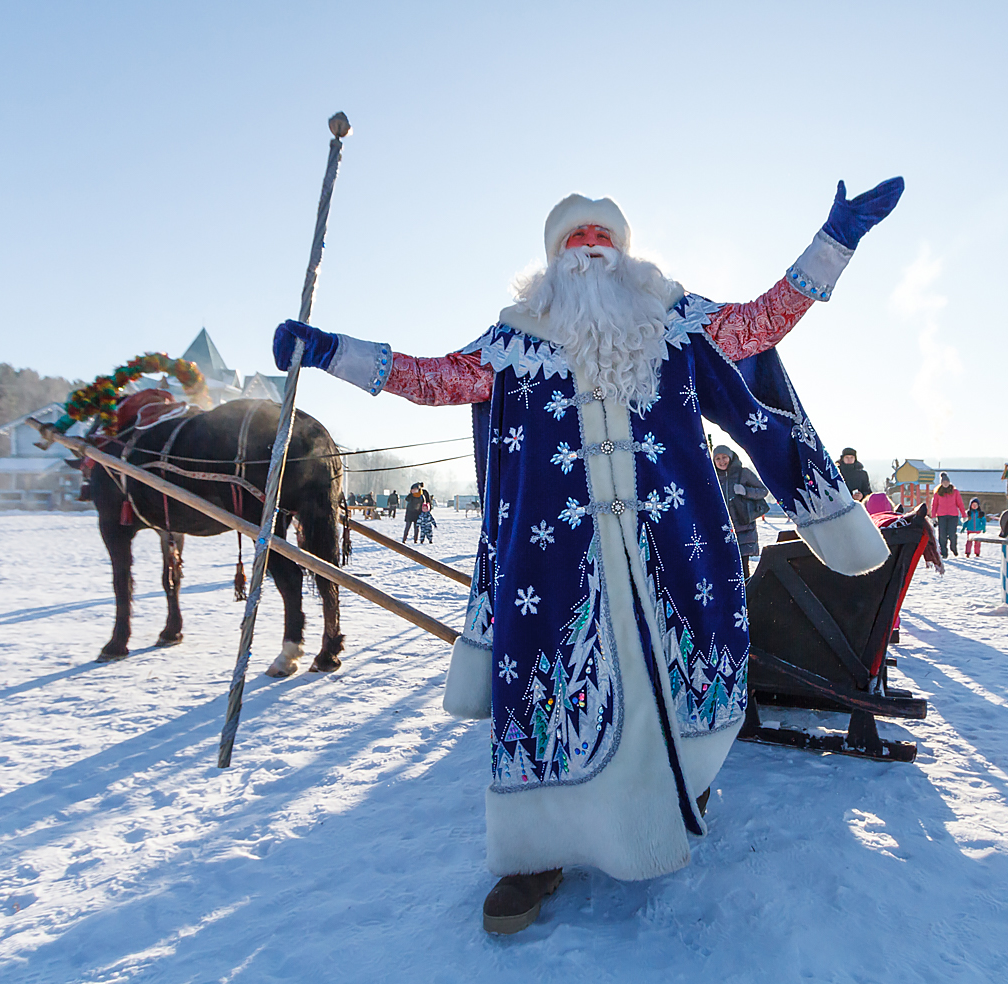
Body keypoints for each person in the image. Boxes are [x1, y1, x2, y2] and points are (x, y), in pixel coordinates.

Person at [271, 177, 903, 933]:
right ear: (550, 260)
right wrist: (330, 351)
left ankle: (678, 786)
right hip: (553, 561)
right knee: (547, 687)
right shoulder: (513, 339)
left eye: (603, 238)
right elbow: (428, 377)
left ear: (627, 253)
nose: (590, 249)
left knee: (683, 666)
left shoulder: (675, 323)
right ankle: (534, 856)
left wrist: (834, 242)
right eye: (574, 240)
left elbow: (763, 321)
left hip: (676, 546)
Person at [713, 444, 769, 577]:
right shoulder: (713, 476)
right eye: (718, 458)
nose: (722, 461)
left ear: (730, 457)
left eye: (724, 457)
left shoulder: (743, 473)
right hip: (723, 529)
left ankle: (747, 596)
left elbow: (763, 491)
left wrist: (745, 491)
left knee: (743, 567)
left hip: (744, 528)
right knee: (726, 567)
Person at [930, 472, 967, 558]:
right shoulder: (938, 493)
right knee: (942, 535)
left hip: (953, 515)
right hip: (941, 515)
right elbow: (934, 505)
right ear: (941, 483)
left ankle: (953, 547)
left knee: (952, 534)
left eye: (947, 482)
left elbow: (960, 504)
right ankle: (944, 552)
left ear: (949, 482)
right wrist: (933, 516)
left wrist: (964, 515)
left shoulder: (955, 492)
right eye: (944, 482)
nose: (945, 483)